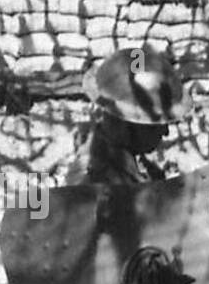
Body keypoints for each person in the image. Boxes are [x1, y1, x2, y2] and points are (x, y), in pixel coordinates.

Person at [69, 46, 192, 186]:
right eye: (155, 124)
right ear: (127, 123)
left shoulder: (120, 165)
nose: (166, 132)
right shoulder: (96, 181)